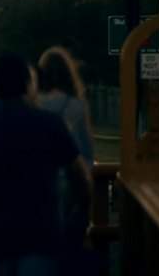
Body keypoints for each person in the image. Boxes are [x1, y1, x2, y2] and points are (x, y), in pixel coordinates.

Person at [0, 53, 92, 276]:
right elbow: (80, 177)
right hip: (41, 232)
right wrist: (80, 219)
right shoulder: (49, 123)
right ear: (29, 83)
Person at [38, 47, 96, 271]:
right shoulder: (76, 106)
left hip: (40, 181)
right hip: (71, 180)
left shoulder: (34, 104)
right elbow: (86, 152)